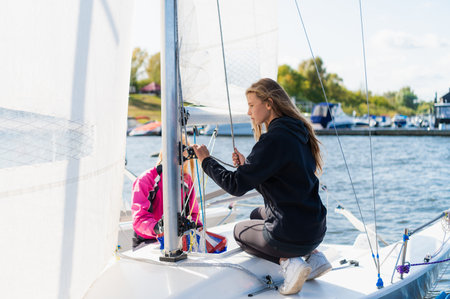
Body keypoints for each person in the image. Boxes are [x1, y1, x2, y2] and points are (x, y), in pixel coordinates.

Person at [192, 78, 331, 295]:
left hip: (292, 232)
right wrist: (249, 165)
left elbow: (235, 186)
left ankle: (289, 262)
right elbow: (282, 181)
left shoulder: (272, 140)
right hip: (316, 227)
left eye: (251, 105)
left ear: (268, 103)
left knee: (239, 231)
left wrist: (206, 161)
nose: (248, 113)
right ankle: (315, 256)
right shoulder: (299, 133)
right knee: (256, 213)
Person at [131, 139, 202, 250]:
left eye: (183, 151)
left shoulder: (187, 181)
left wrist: (195, 226)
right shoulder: (146, 180)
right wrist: (159, 228)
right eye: (175, 150)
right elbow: (139, 219)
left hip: (179, 241)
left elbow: (194, 213)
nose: (179, 156)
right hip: (148, 242)